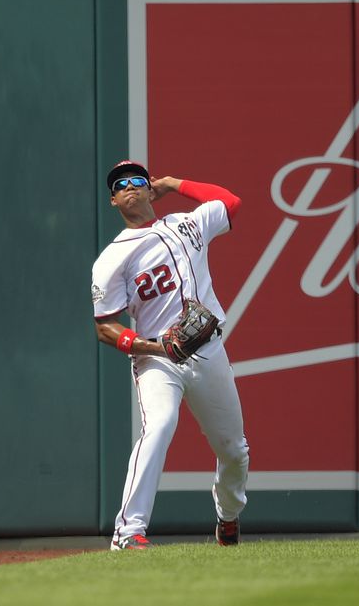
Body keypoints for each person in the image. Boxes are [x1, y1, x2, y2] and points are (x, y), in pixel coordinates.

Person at [92, 161, 250, 550]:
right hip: (158, 359)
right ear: (113, 200)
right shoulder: (111, 259)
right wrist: (152, 347)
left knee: (234, 452)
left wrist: (175, 184)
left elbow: (229, 201)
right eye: (120, 185)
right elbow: (104, 326)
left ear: (149, 189)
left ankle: (227, 518)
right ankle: (128, 533)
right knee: (159, 425)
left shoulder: (187, 223)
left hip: (208, 349)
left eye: (137, 181)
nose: (130, 187)